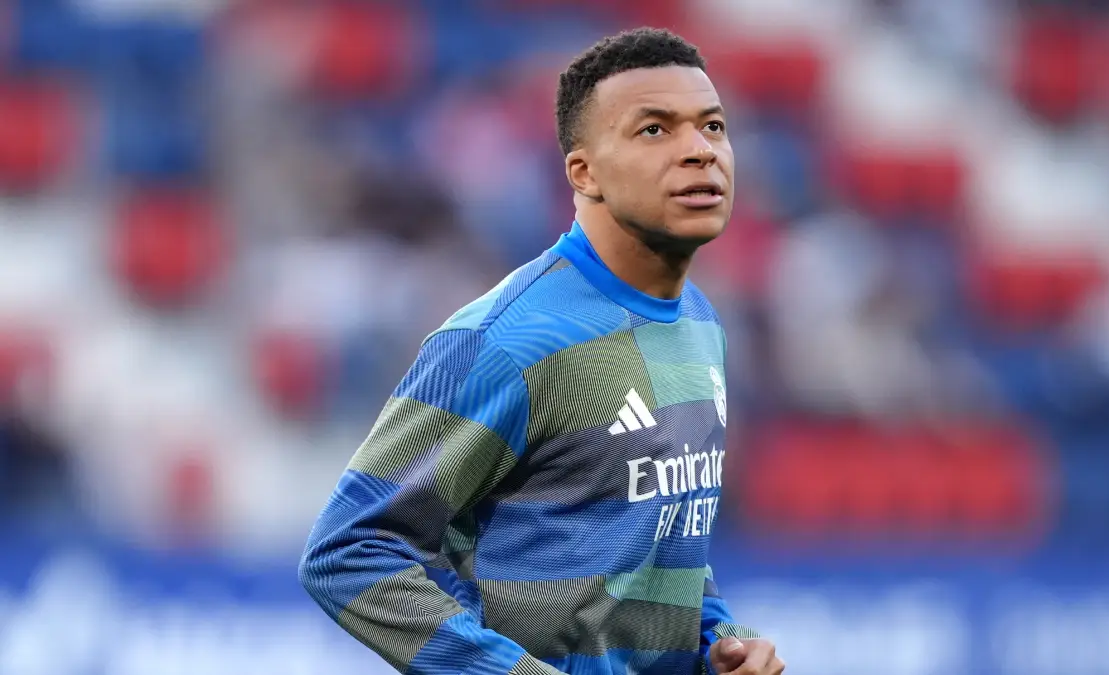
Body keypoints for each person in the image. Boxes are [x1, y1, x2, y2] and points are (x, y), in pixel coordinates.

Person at [299, 27, 784, 675]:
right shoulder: (507, 340)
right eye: (654, 130)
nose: (700, 151)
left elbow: (651, 542)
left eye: (713, 127)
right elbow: (347, 550)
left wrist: (717, 638)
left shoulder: (699, 323)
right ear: (584, 172)